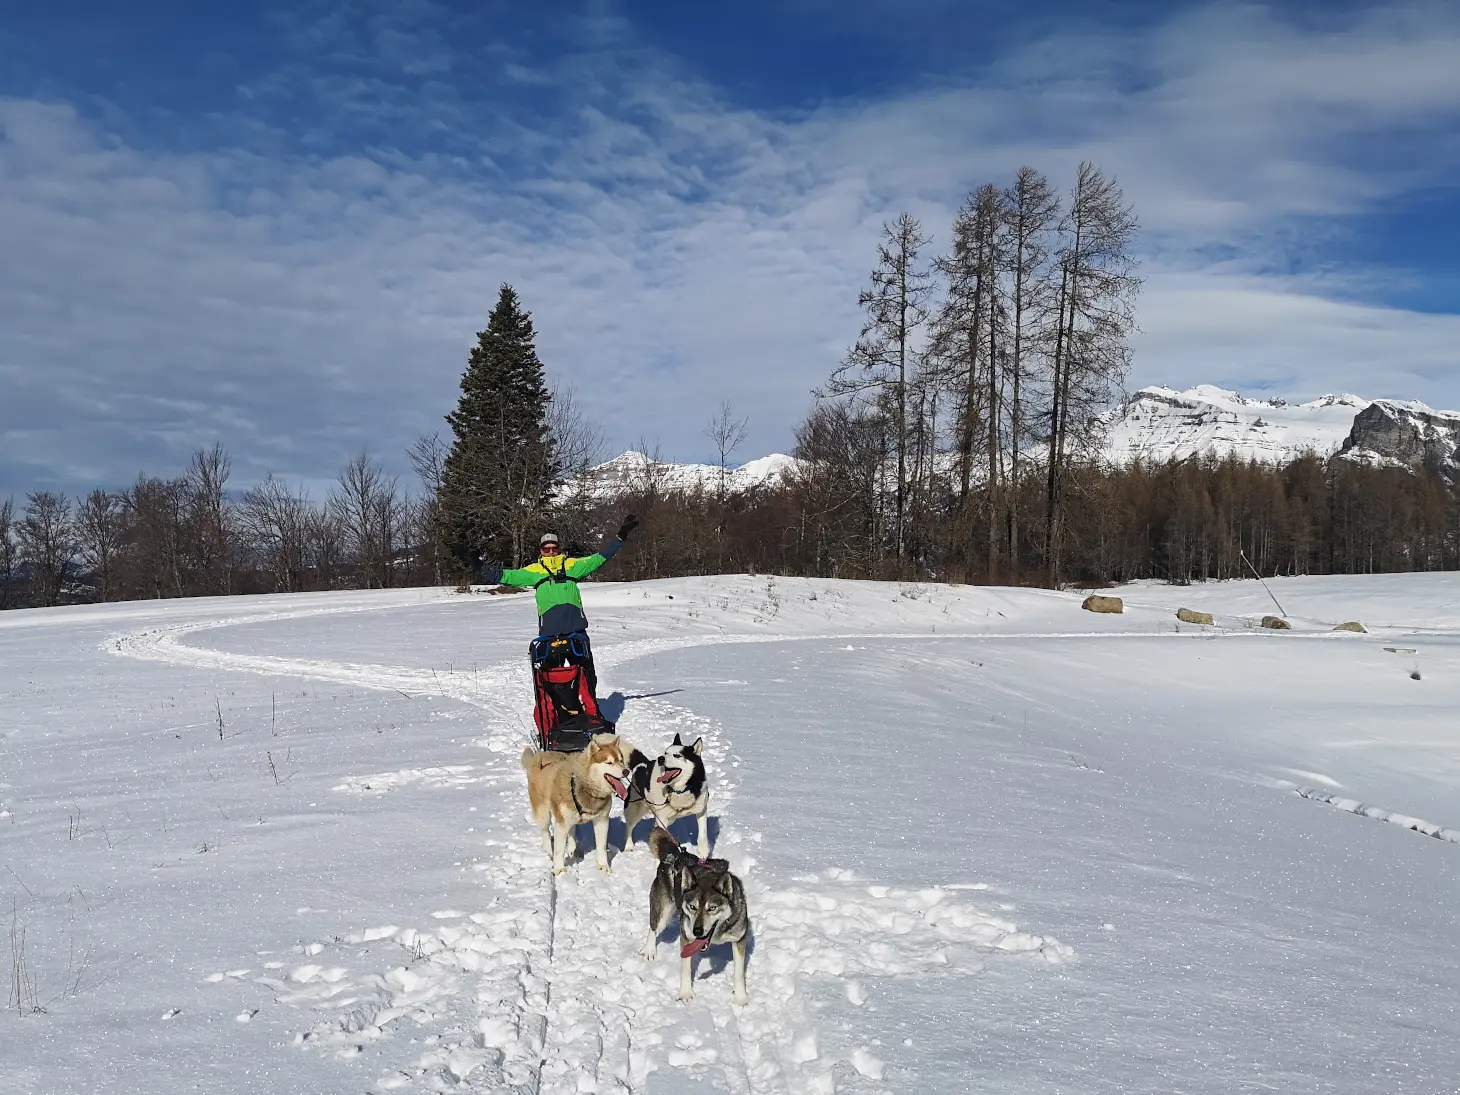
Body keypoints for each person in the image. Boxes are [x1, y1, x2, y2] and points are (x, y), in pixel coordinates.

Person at [478, 514, 639, 695]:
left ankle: (590, 709)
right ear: (541, 551)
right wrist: (477, 565)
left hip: (576, 630)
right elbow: (504, 576)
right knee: (551, 677)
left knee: (586, 675)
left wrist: (621, 536)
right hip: (549, 633)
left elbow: (601, 557)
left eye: (554, 548)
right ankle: (559, 712)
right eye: (546, 549)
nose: (551, 552)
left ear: (559, 548)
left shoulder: (573, 565)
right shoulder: (533, 571)